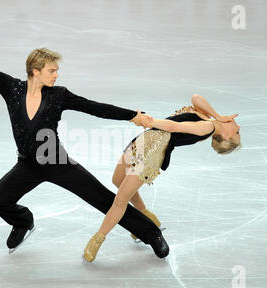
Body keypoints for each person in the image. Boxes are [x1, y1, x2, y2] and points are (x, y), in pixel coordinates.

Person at [0, 27, 170, 259]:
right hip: (27, 166)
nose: (57, 74)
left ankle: (151, 233)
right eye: (52, 70)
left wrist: (132, 115)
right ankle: (22, 222)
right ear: (35, 70)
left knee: (103, 199)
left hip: (57, 163)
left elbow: (93, 107)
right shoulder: (12, 89)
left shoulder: (58, 95)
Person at [83, 94, 241, 262]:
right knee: (117, 180)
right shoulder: (208, 119)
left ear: (226, 136)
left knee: (121, 199)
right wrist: (219, 116)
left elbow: (173, 127)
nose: (237, 126)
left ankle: (97, 239)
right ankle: (146, 215)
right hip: (146, 140)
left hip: (153, 151)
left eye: (237, 132)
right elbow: (196, 98)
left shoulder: (207, 128)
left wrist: (148, 121)